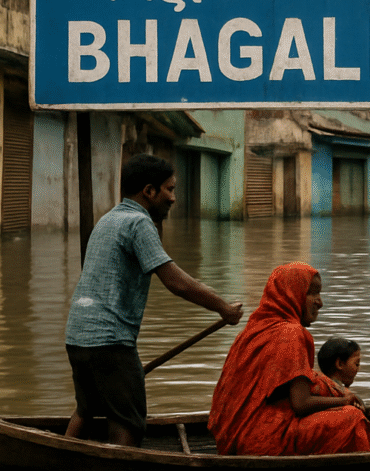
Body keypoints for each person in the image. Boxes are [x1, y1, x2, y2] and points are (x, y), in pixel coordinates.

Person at [64, 153, 243, 447]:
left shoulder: (109, 219)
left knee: (87, 409)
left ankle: (61, 461)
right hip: (110, 342)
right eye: (169, 189)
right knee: (128, 424)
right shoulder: (138, 222)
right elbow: (176, 282)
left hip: (78, 336)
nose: (173, 198)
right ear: (148, 191)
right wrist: (223, 307)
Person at [208, 262, 370, 455]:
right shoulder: (291, 333)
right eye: (312, 293)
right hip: (260, 441)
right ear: (291, 294)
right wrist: (344, 402)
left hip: (233, 437)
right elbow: (301, 403)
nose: (320, 302)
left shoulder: (254, 328)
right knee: (353, 418)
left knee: (318, 381)